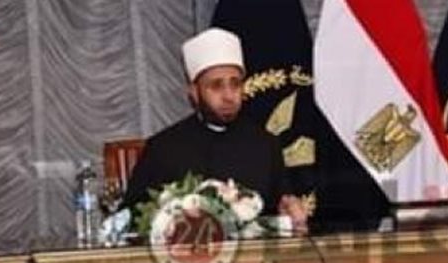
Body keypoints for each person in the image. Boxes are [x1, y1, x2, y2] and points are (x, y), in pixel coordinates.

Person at [122, 28, 308, 231]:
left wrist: (289, 211)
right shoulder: (163, 148)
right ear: (194, 92)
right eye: (216, 86)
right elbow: (131, 219)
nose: (229, 96)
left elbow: (281, 207)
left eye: (235, 84)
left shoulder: (265, 144)